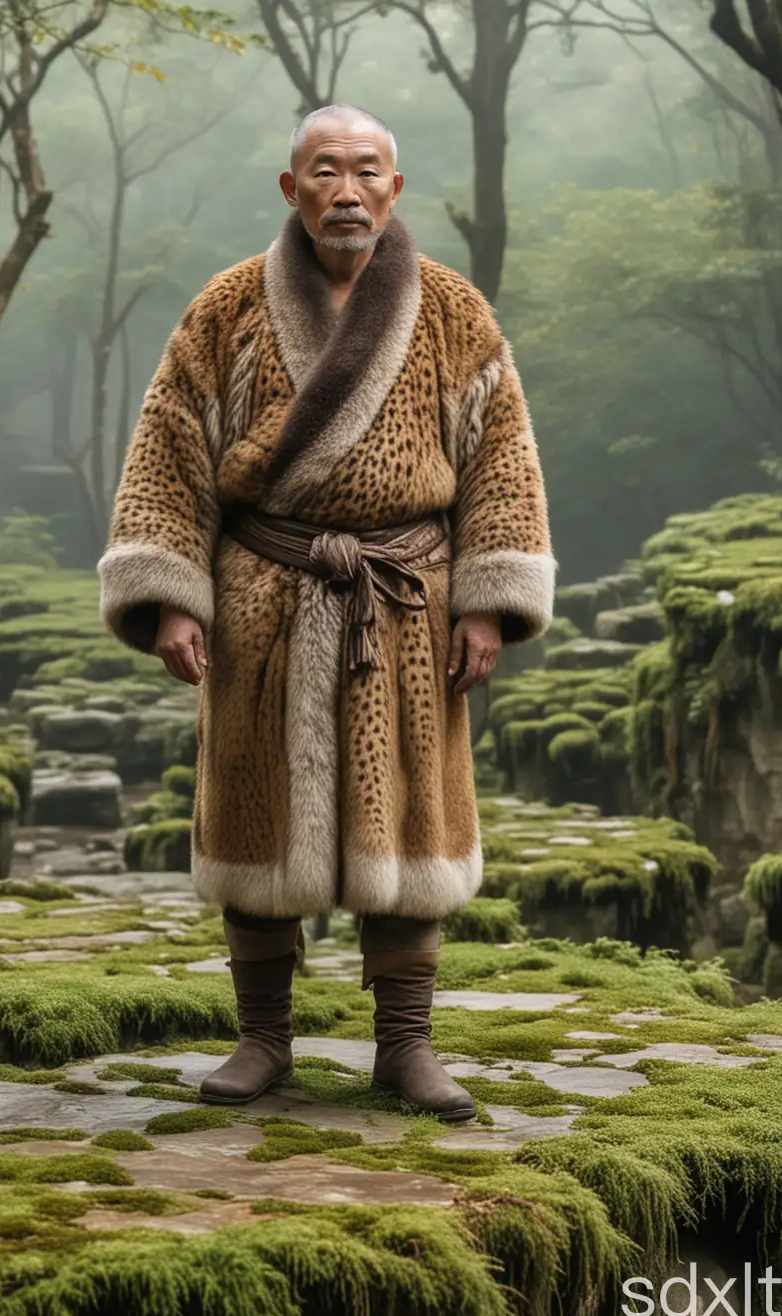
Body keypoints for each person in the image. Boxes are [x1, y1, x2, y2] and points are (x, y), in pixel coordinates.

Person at [97, 105, 556, 1121]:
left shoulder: (450, 309)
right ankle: (264, 1040)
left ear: (395, 188)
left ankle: (407, 1047)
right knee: (258, 813)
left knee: (413, 824)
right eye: (324, 171)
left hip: (407, 603)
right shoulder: (227, 306)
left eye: (365, 172)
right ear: (290, 187)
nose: (345, 191)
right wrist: (170, 595)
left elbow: (503, 460)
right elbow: (168, 447)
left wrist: (489, 604)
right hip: (263, 597)